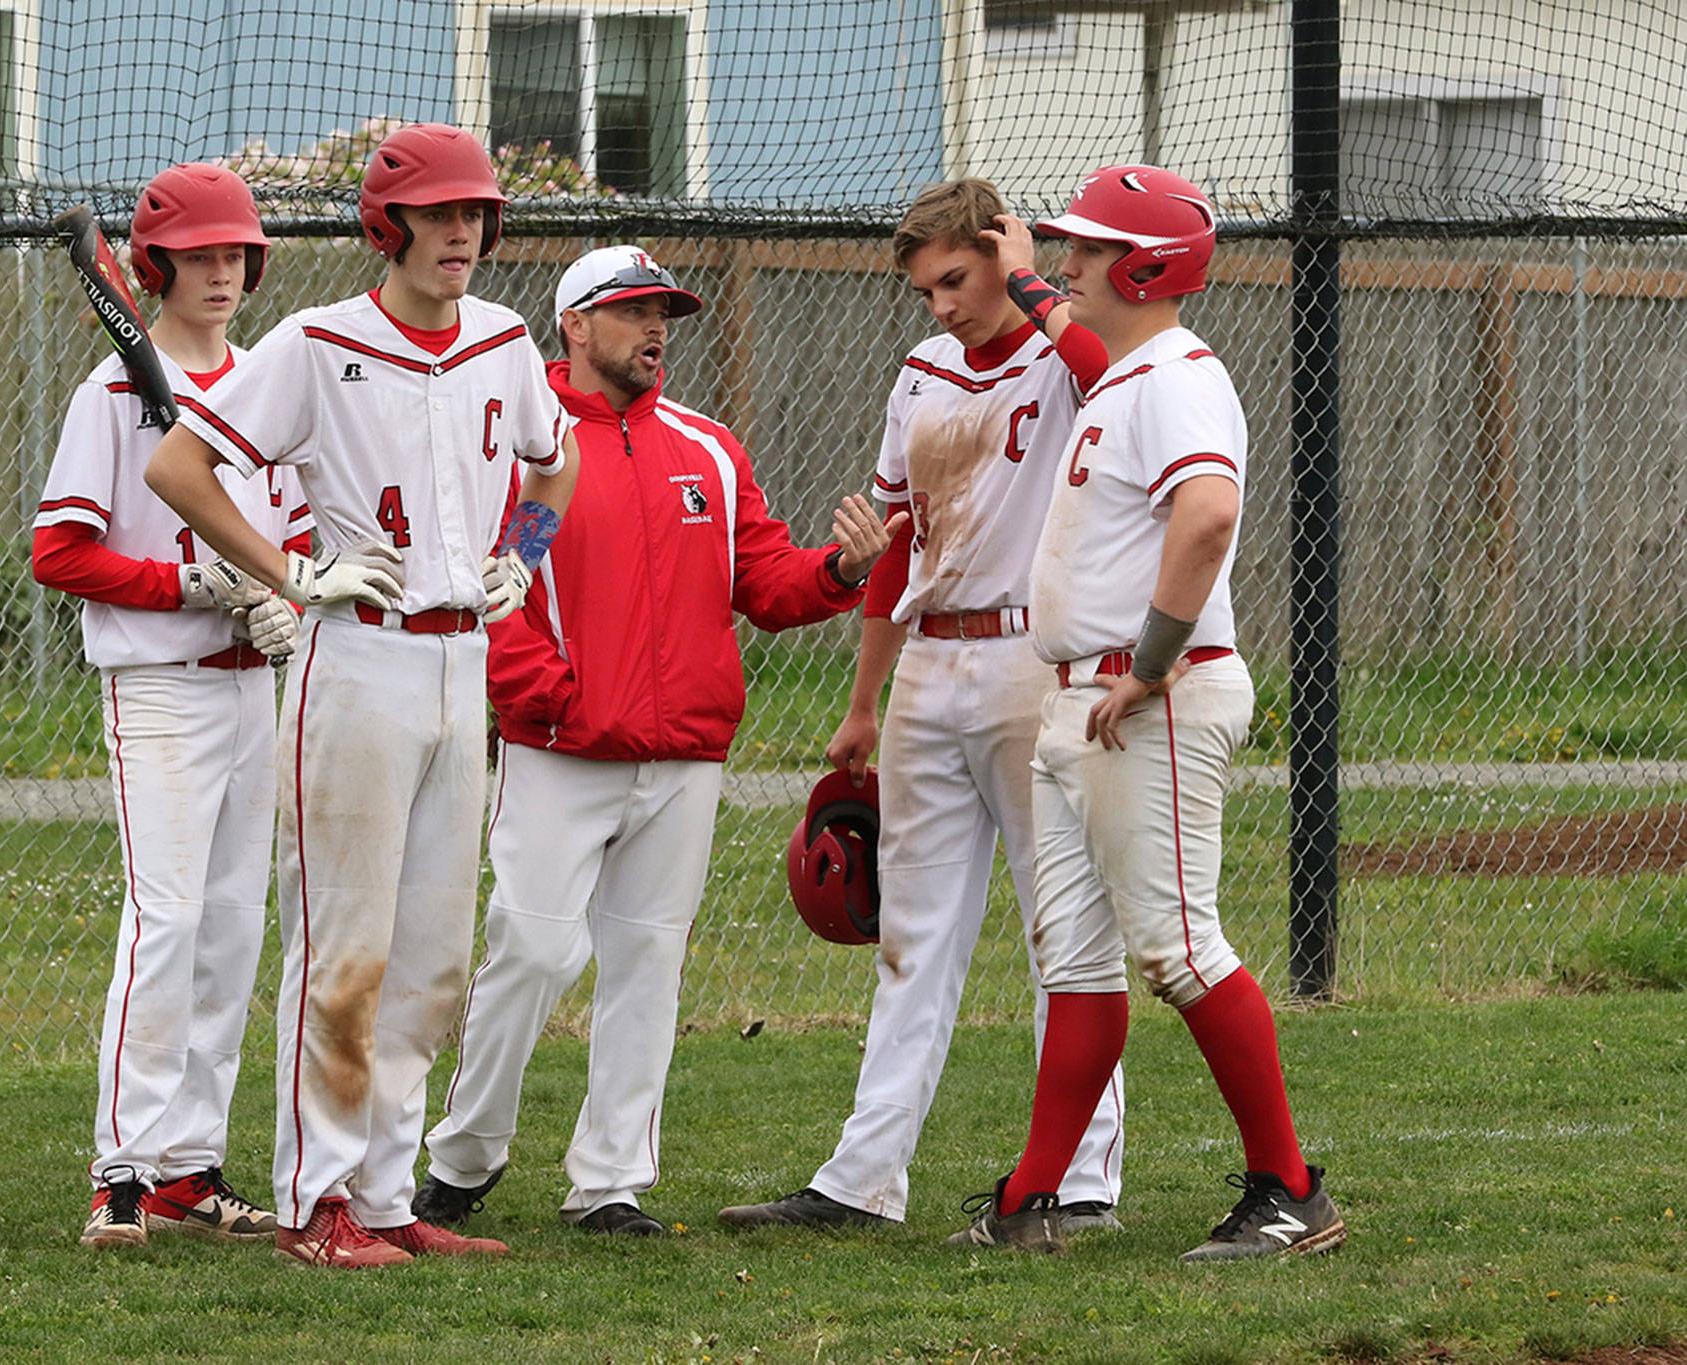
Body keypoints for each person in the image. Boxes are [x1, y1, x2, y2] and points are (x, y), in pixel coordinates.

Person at [144, 123, 579, 1269]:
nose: (463, 234)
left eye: (475, 213)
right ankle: (313, 1204)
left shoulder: (502, 337)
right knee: (344, 949)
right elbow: (177, 467)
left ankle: (385, 1197)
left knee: (432, 954)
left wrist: (525, 551)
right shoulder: (313, 339)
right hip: (356, 658)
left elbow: (556, 457)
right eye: (438, 214)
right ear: (386, 227)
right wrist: (287, 573)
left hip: (459, 662)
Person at [410, 245, 898, 1237]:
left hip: (682, 756)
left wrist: (840, 572)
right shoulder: (529, 450)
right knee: (532, 951)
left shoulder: (706, 451)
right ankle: (464, 1158)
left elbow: (763, 586)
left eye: (663, 312)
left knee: (646, 965)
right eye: (632, 312)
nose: (655, 329)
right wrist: (540, 688)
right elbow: (492, 588)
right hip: (560, 748)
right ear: (575, 327)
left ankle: (609, 1182)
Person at [717, 179, 1126, 1235]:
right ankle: (860, 1182)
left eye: (956, 277)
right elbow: (898, 536)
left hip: (1038, 658)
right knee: (912, 934)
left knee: (1062, 935)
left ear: (1002, 253)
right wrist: (862, 700)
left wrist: (1036, 279)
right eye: (923, 289)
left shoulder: (1066, 350)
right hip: (930, 668)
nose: (940, 305)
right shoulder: (922, 369)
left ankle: (1079, 1185)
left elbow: (1114, 385)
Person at [952, 163, 1345, 1260]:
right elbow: (1080, 346)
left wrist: (1153, 660)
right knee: (1073, 961)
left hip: (1148, 694)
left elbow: (1208, 515)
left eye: (1086, 249)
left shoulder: (1173, 374)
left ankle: (1288, 1187)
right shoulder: (1125, 370)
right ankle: (1032, 1197)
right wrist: (1027, 283)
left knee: (1177, 950)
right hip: (1090, 697)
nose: (1068, 261)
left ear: (1148, 267)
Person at [35, 162, 304, 1249]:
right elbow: (59, 552)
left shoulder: (261, 384)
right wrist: (186, 588)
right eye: (199, 255)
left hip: (252, 690)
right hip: (157, 689)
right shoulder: (111, 394)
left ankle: (191, 1166)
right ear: (152, 266)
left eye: (236, 253)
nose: (223, 272)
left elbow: (284, 533)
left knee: (234, 929)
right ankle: (122, 1170)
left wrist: (286, 593)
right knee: (167, 923)